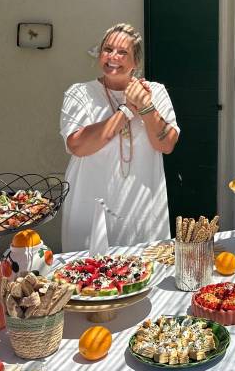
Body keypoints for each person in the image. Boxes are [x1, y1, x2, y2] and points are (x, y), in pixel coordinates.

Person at [59, 23, 179, 251]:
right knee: (87, 278)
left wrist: (144, 107)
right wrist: (125, 111)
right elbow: (78, 145)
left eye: (123, 52)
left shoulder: (156, 92)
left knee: (144, 274)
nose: (113, 56)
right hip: (90, 213)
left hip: (142, 215)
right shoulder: (79, 93)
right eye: (108, 49)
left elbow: (166, 144)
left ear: (136, 62)